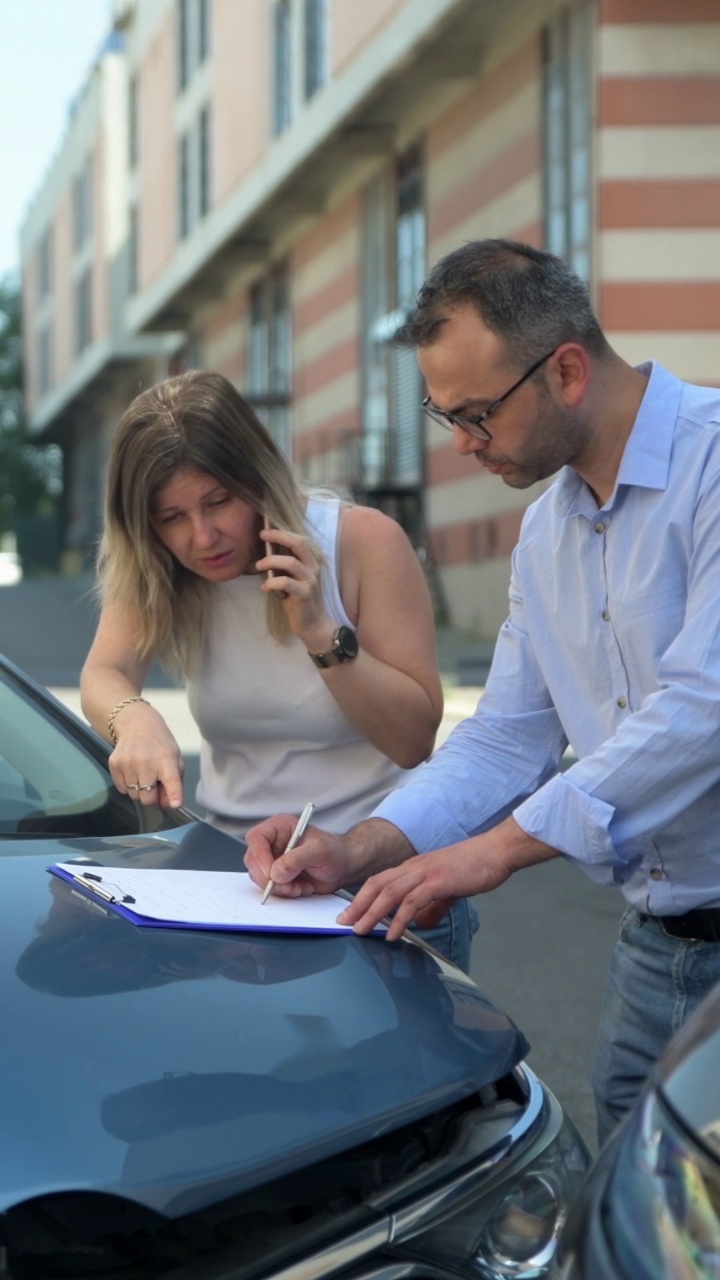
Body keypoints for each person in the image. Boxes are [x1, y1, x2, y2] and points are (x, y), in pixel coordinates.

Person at [245, 237, 720, 1148]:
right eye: (444, 415)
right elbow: (504, 737)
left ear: (568, 371)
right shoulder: (547, 533)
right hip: (654, 954)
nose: (462, 445)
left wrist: (495, 852)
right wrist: (362, 849)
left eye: (478, 414)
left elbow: (699, 717)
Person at [80, 369, 477, 970]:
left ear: (257, 477)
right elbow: (104, 673)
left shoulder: (361, 542)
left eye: (219, 501)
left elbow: (412, 739)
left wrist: (320, 631)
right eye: (171, 517)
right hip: (241, 888)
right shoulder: (160, 566)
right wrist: (130, 717)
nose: (202, 535)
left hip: (378, 883)